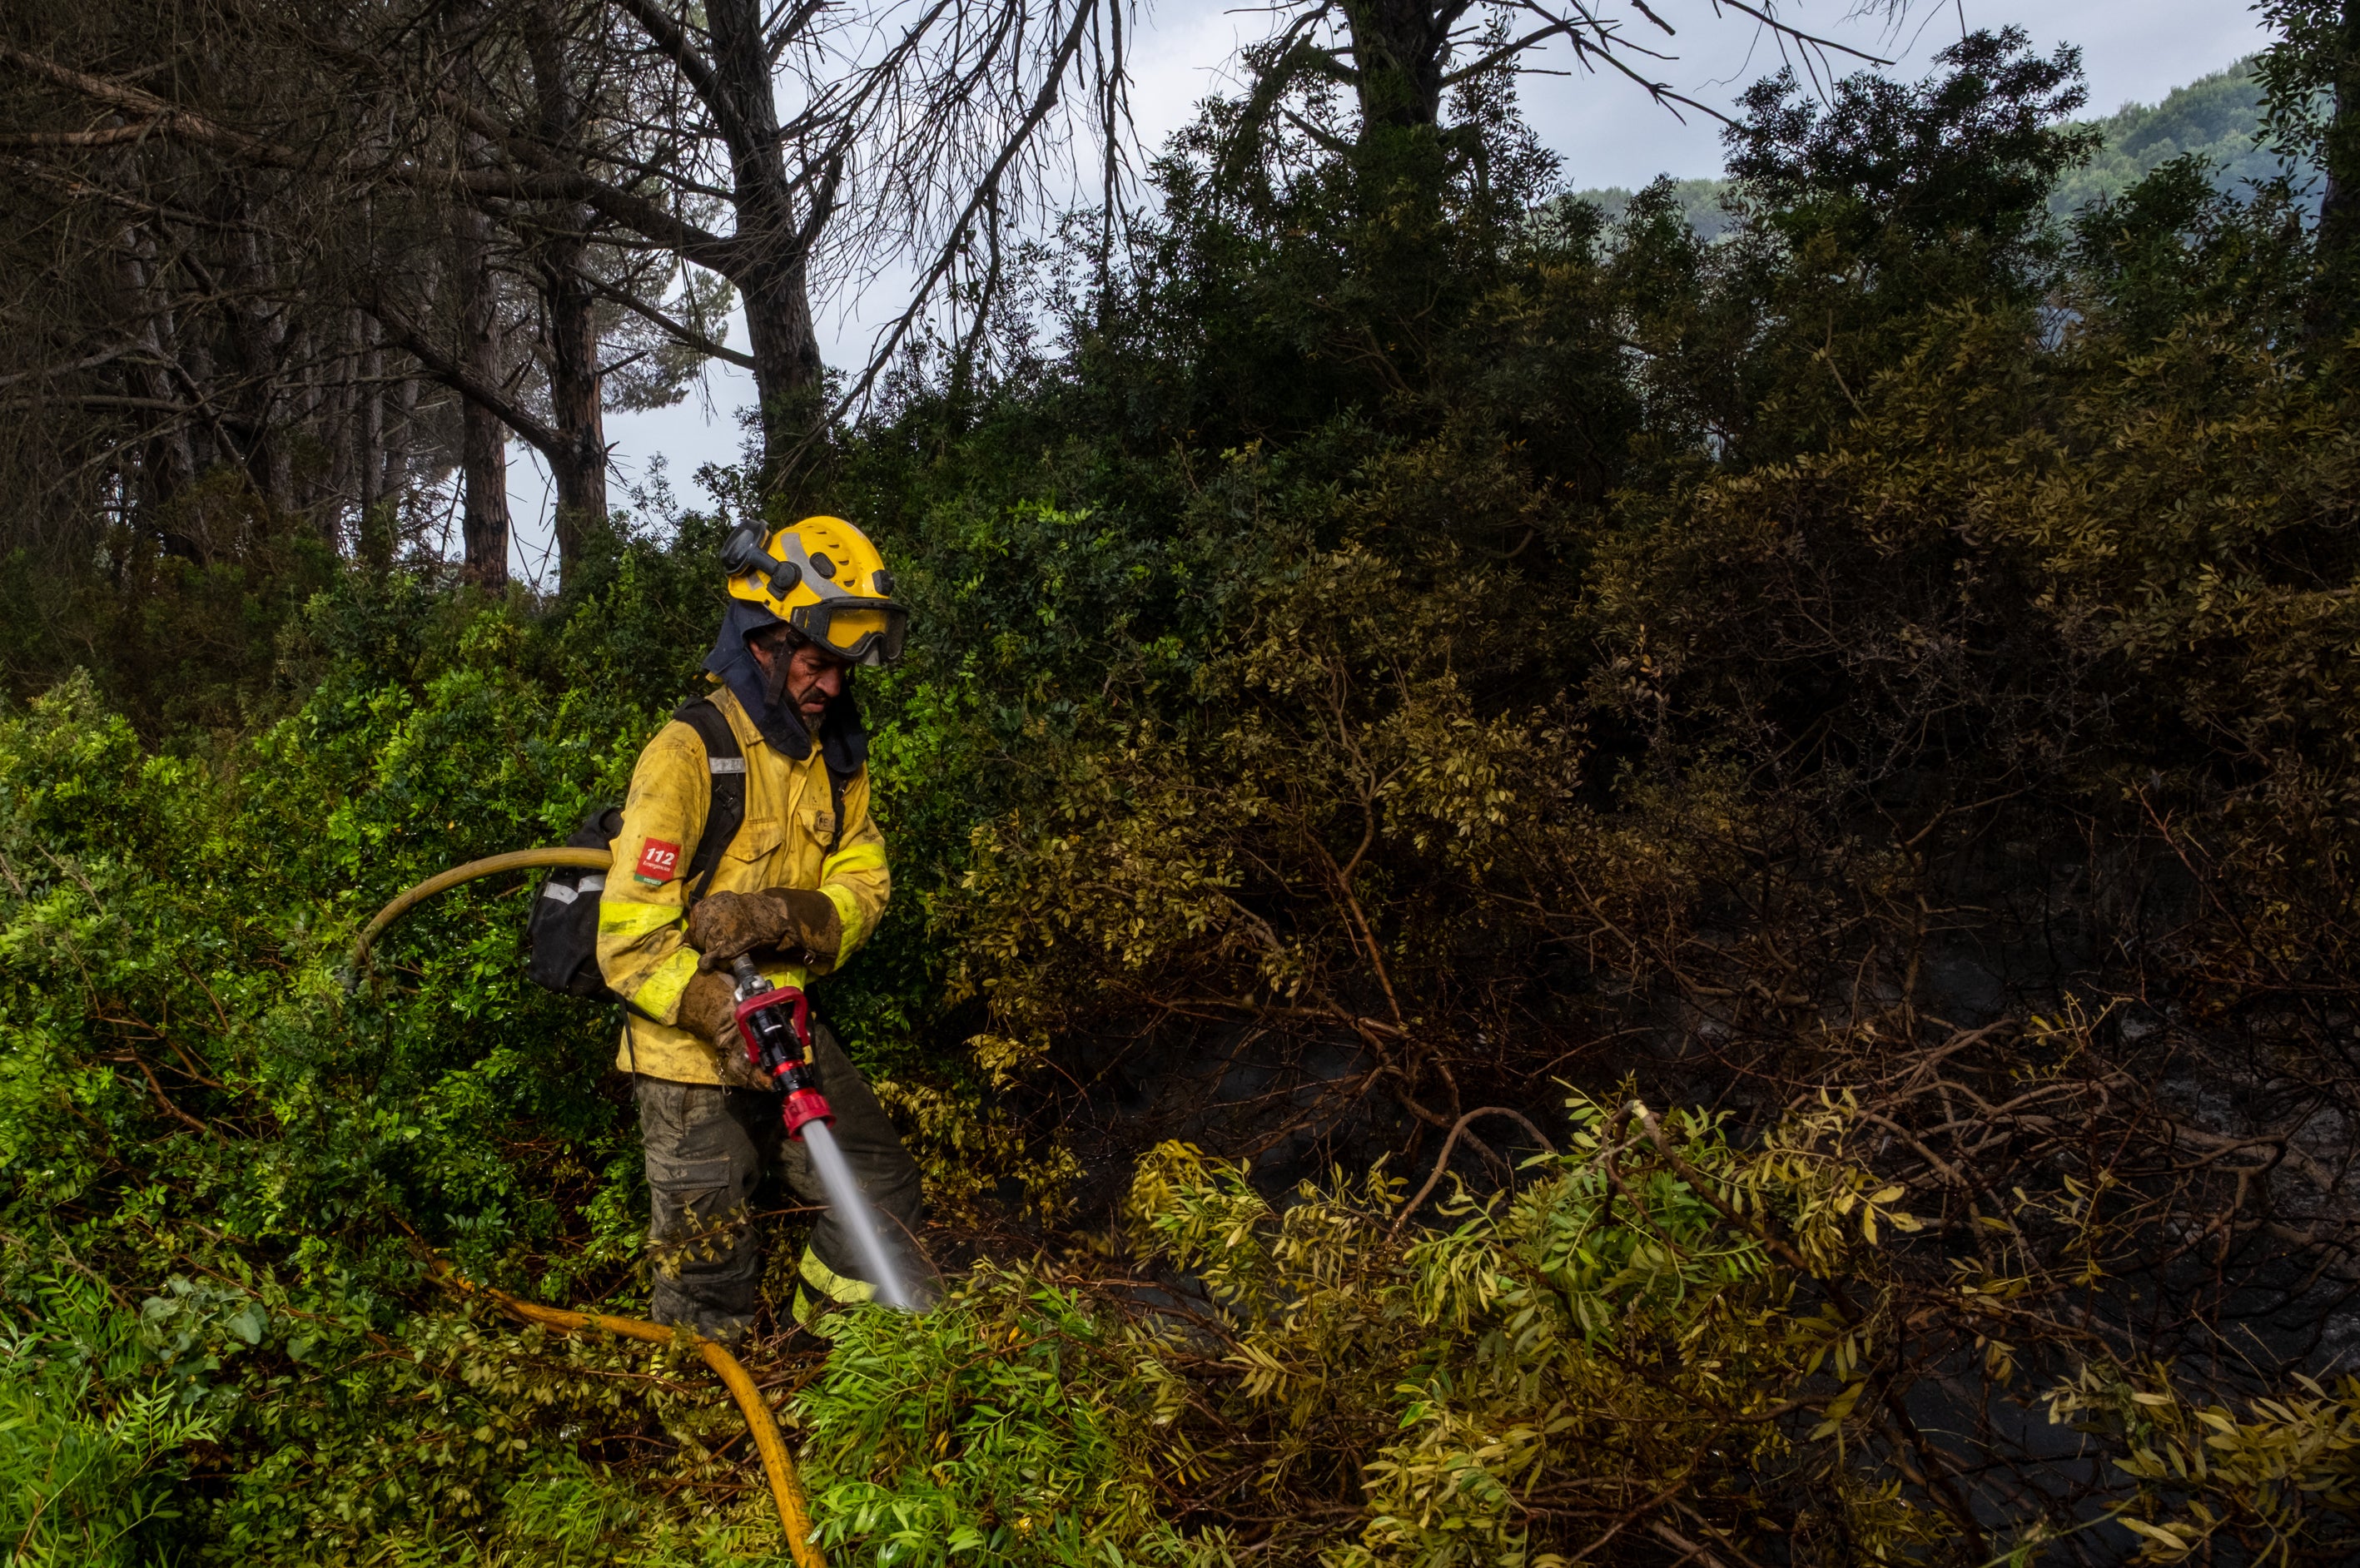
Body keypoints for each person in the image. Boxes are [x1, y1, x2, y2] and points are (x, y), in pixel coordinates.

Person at [594, 514, 927, 1344]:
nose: (832, 688)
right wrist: (716, 1014)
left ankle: (822, 1354)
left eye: (844, 670)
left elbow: (865, 881)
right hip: (687, 1056)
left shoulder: (835, 757)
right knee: (707, 1263)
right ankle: (710, 1437)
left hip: (789, 1026)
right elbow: (627, 940)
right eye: (817, 664)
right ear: (763, 644)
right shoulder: (689, 751)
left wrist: (787, 916)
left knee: (880, 1187)